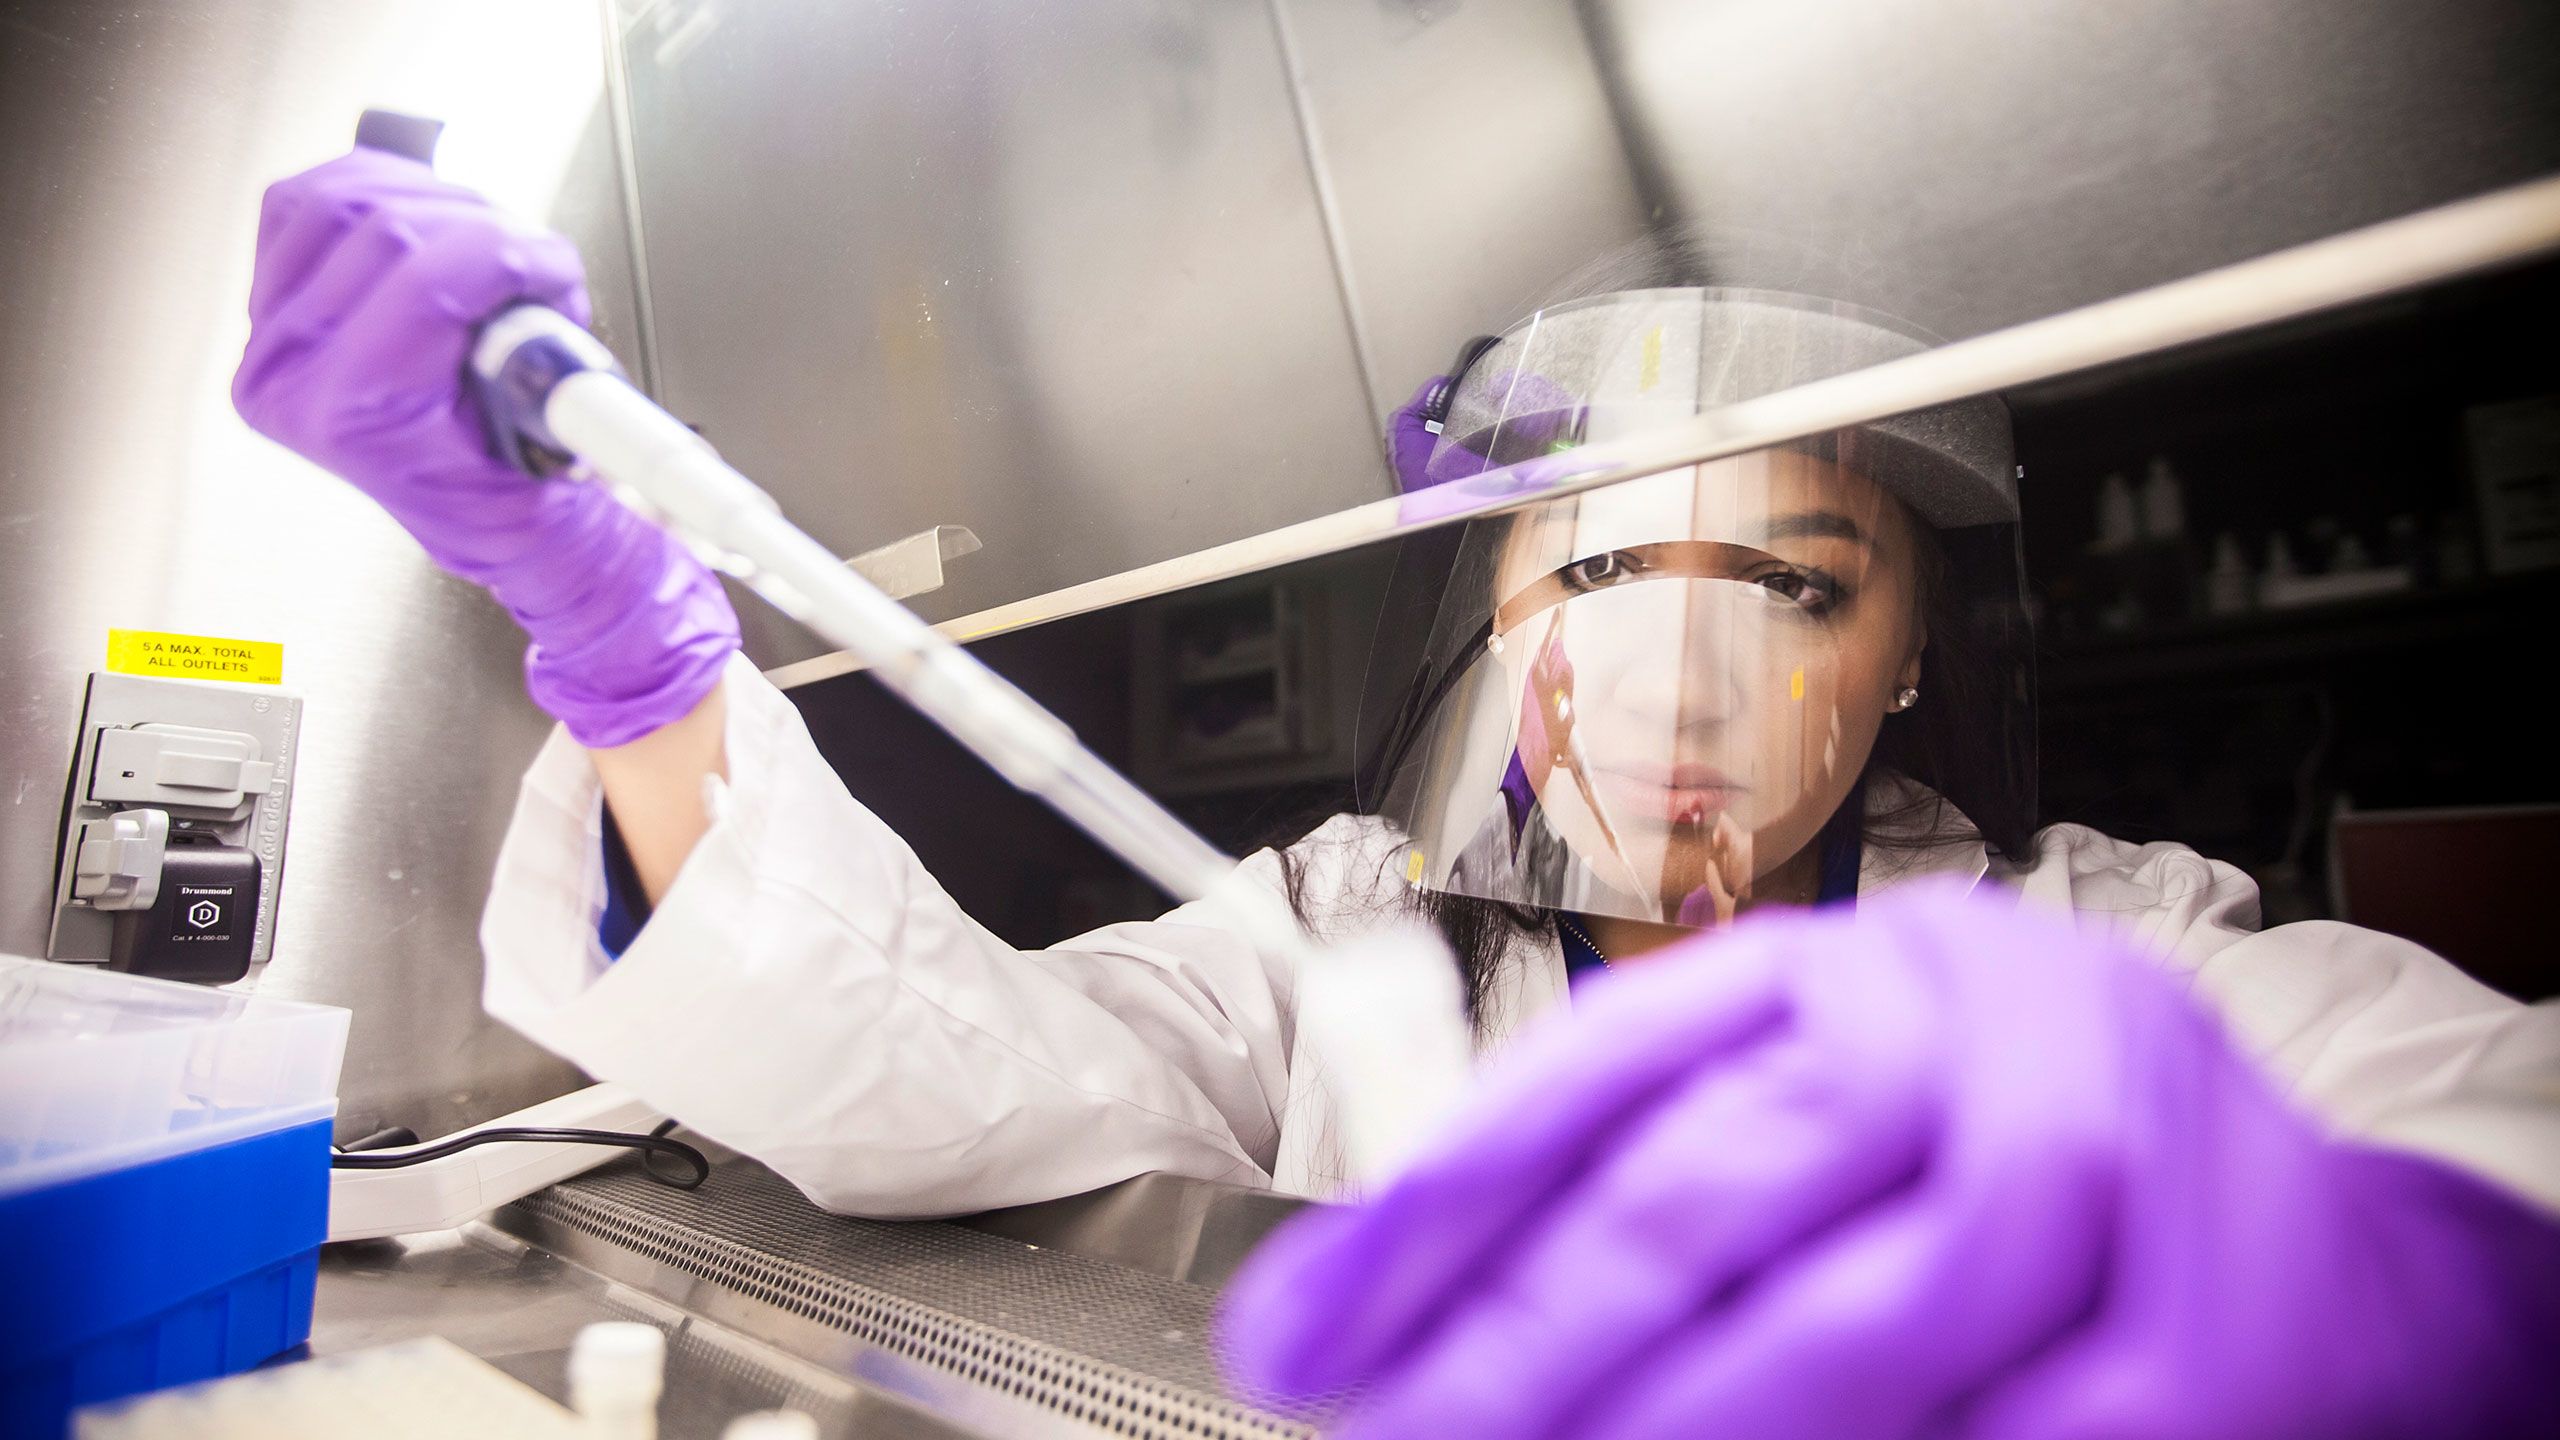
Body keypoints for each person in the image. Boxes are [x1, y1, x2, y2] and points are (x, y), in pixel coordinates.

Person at [235, 147, 2559, 1433]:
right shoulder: (1343, 933)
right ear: (1505, 617)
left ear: (1912, 643)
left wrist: (2418, 1276)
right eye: (1607, 566)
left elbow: (2502, 1129)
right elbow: (919, 1075)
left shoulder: (2108, 950)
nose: (1678, 670)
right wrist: (632, 646)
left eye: (1792, 578)